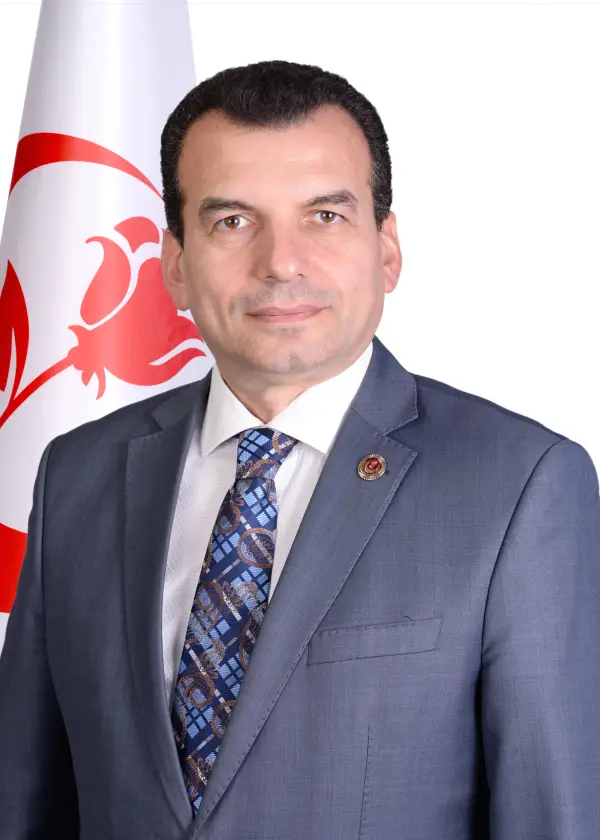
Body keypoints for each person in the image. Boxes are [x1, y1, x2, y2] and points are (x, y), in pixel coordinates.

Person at [0, 59, 599, 840]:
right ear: (175, 265)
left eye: (324, 215)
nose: (281, 262)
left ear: (387, 248)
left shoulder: (522, 486)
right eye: (232, 221)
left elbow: (552, 817)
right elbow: (24, 802)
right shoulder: (79, 473)